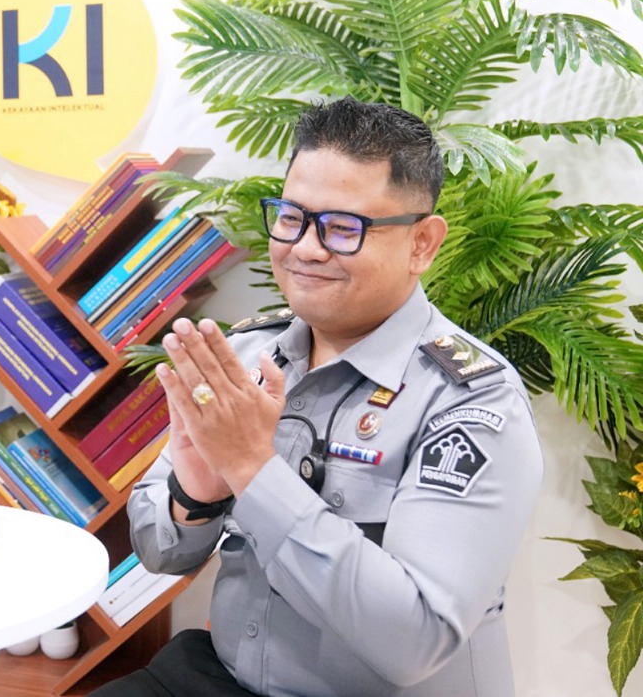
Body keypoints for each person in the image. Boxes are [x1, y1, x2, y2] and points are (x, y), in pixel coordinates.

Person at [92, 97, 543, 696]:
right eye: (291, 218)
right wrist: (195, 495)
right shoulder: (250, 354)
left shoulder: (471, 403)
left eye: (343, 227)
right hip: (227, 678)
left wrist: (252, 471)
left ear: (422, 244)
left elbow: (415, 641)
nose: (305, 248)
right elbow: (159, 552)